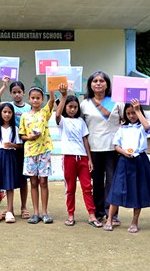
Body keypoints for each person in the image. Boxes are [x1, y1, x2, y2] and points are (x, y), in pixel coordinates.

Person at [104, 99, 150, 233]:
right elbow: (116, 145)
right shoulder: (122, 128)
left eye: (134, 113)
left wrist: (138, 110)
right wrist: (123, 152)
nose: (131, 116)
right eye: (129, 113)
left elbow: (148, 127)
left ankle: (134, 221)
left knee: (138, 190)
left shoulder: (142, 127)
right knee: (117, 190)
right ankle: (109, 219)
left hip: (140, 161)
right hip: (124, 160)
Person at [80, 71, 124, 224]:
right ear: (90, 85)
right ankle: (98, 211)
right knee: (97, 182)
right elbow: (81, 127)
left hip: (114, 148)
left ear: (107, 84)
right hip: (93, 148)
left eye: (102, 81)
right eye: (95, 81)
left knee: (112, 181)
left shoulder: (117, 101)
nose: (98, 83)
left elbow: (125, 120)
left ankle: (112, 213)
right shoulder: (84, 104)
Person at [55, 84, 101, 228]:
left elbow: (85, 140)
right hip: (69, 157)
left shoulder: (81, 121)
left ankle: (92, 214)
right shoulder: (62, 121)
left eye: (75, 107)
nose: (73, 109)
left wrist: (89, 159)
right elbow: (57, 115)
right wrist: (63, 96)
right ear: (65, 108)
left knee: (87, 187)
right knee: (70, 188)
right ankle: (70, 214)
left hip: (82, 158)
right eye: (70, 107)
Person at [0, 76, 31, 219]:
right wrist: (3, 85)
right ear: (11, 94)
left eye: (19, 92)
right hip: (8, 150)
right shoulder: (8, 106)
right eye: (14, 92)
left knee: (22, 179)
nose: (16, 94)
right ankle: (10, 209)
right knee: (8, 178)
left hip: (24, 146)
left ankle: (23, 207)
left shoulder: (28, 107)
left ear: (23, 92)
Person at [19, 86, 56, 224]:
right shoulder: (24, 115)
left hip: (44, 151)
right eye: (33, 98)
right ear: (29, 99)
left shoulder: (45, 112)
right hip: (29, 152)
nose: (35, 100)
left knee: (43, 182)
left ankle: (45, 212)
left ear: (42, 99)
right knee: (33, 182)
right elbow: (22, 135)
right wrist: (30, 138)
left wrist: (51, 85)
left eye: (38, 98)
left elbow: (52, 100)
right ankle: (35, 213)